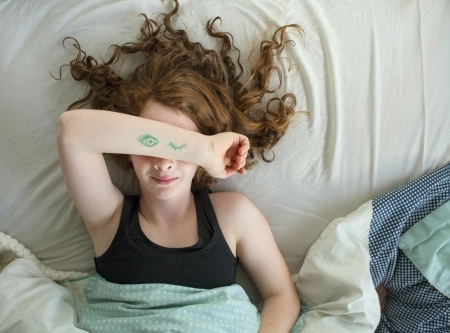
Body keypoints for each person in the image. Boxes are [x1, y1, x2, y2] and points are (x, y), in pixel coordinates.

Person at [57, 1, 301, 331]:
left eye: (178, 143)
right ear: (127, 149)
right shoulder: (109, 218)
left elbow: (281, 295)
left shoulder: (233, 215)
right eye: (150, 142)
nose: (163, 162)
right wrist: (199, 147)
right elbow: (72, 131)